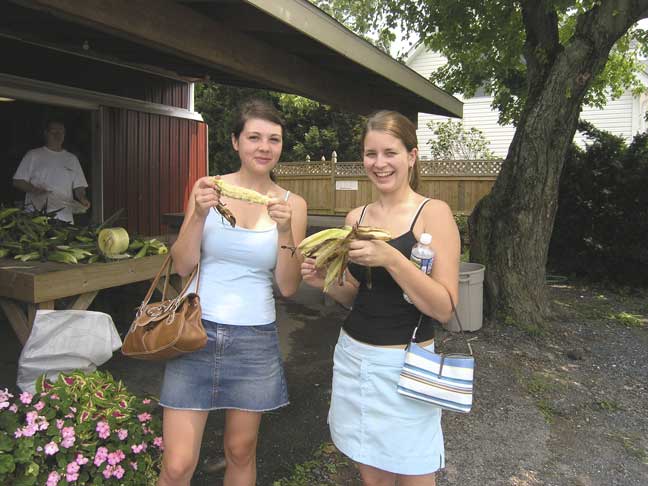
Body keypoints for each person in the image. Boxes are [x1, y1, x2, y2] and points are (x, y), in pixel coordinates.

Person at [301, 110, 460, 486]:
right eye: (371, 154)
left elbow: (444, 306)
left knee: (415, 474)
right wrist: (325, 280)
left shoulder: (433, 213)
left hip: (406, 364)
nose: (380, 163)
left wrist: (391, 258)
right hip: (354, 357)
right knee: (373, 478)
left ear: (412, 156)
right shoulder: (356, 217)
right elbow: (356, 296)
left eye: (390, 152)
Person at [158, 98, 307, 486]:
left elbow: (289, 287)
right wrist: (199, 215)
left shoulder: (294, 205)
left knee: (240, 451)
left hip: (255, 338)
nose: (264, 147)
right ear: (235, 141)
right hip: (194, 331)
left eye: (273, 139)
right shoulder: (208, 188)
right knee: (177, 464)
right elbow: (181, 265)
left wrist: (286, 231)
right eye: (254, 137)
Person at [12, 120, 90, 223]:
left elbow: (79, 186)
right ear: (46, 133)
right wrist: (35, 190)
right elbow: (17, 181)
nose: (58, 135)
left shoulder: (71, 159)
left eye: (61, 132)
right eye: (54, 132)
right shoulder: (34, 155)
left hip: (64, 218)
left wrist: (82, 198)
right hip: (36, 217)